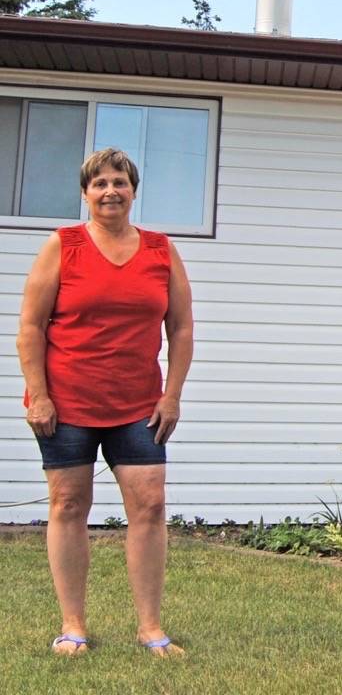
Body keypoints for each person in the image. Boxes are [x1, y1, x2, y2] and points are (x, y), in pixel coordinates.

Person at [16, 147, 194, 658]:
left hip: (139, 404)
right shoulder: (63, 246)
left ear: (134, 191)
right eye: (100, 184)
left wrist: (172, 395)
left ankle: (151, 629)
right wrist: (40, 396)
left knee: (151, 506)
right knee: (69, 507)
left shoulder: (160, 250)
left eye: (120, 181)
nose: (110, 190)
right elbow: (31, 326)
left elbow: (180, 328)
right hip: (65, 403)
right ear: (86, 193)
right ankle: (73, 627)